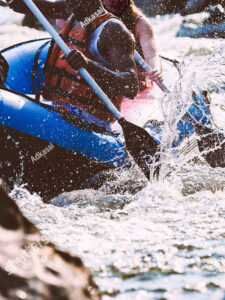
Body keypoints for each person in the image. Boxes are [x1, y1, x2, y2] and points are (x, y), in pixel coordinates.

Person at [7, 0, 139, 125]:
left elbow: (131, 87)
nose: (72, 3)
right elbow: (29, 6)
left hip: (91, 120)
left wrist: (88, 65)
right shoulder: (74, 11)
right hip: (61, 108)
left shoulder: (113, 30)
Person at [103, 0, 163, 85]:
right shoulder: (92, 21)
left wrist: (155, 71)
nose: (116, 1)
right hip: (108, 81)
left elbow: (152, 56)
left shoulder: (141, 23)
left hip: (138, 84)